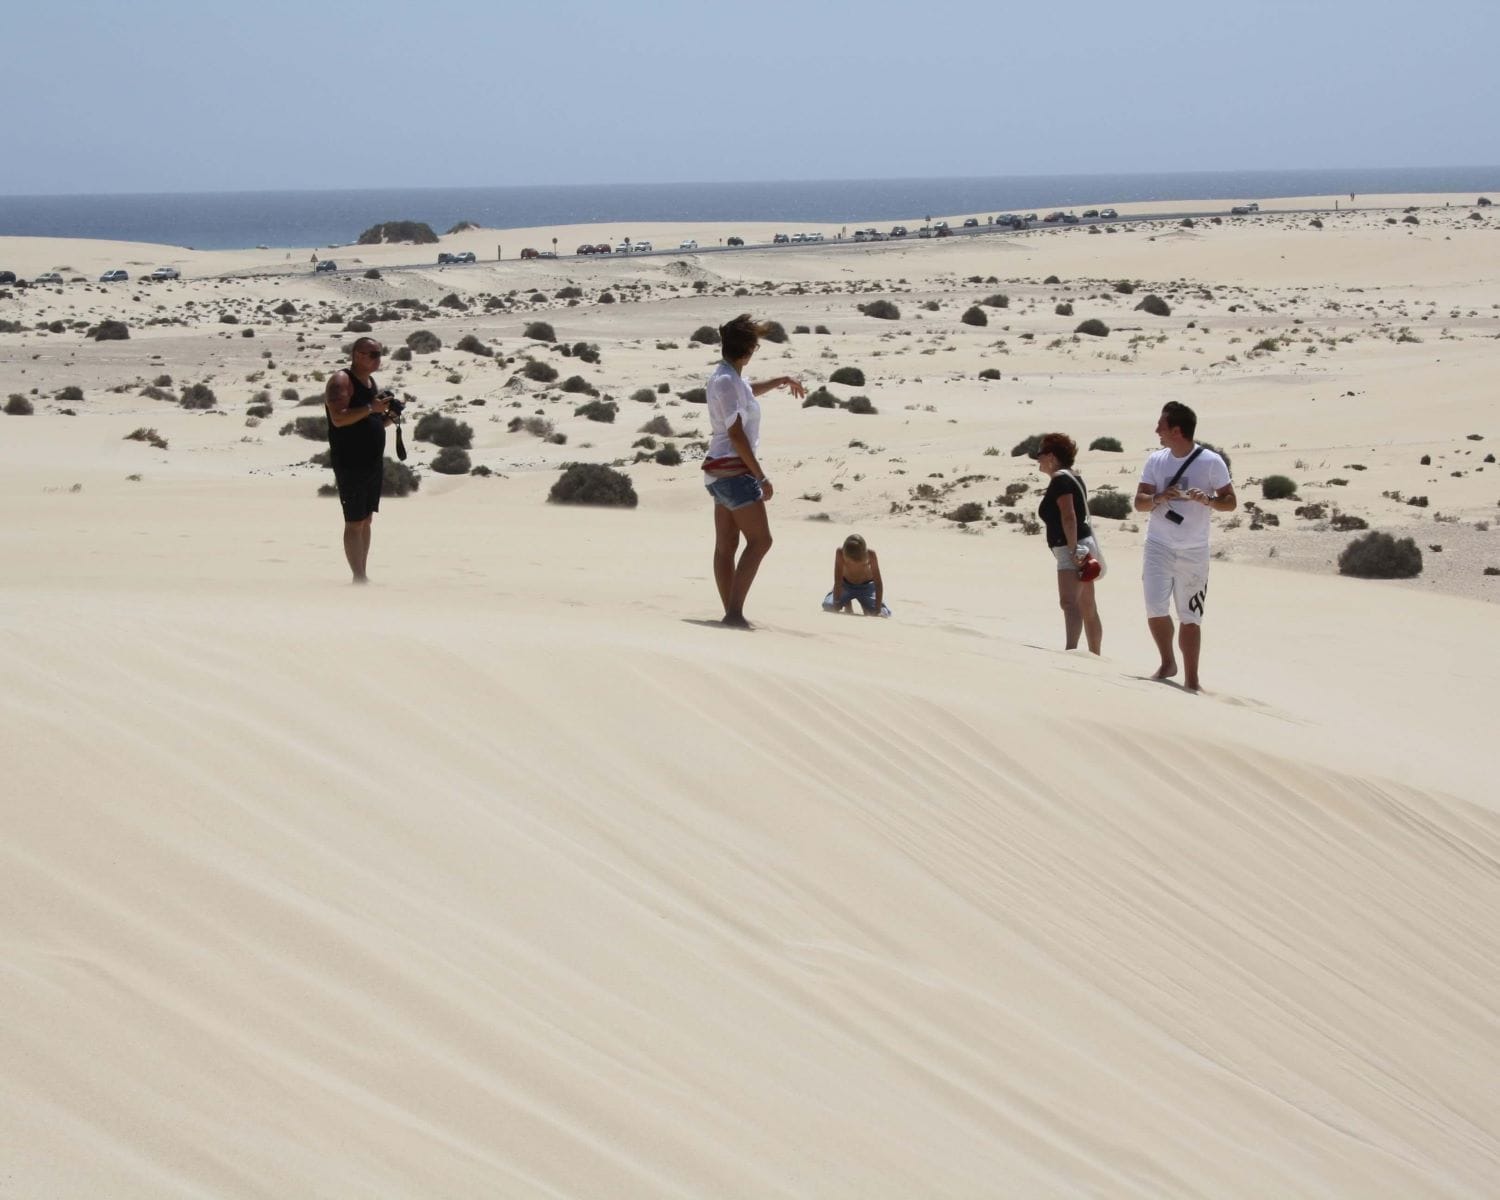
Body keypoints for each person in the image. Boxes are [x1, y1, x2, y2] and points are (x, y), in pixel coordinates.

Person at [702, 314, 806, 627]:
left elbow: (748, 391)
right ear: (747, 350)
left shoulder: (726, 377)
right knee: (761, 541)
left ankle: (731, 611)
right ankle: (734, 613)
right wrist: (761, 476)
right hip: (735, 472)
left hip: (718, 472)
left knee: (726, 546)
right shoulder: (727, 381)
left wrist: (781, 381)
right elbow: (736, 434)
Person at [1134, 402, 1236, 690]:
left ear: (1177, 430)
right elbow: (1139, 502)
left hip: (1194, 550)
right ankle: (1167, 662)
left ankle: (1192, 681)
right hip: (1158, 544)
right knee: (1155, 607)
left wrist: (1209, 501)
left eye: (1162, 426)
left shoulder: (1211, 462)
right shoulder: (1156, 460)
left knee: (1190, 616)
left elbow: (1231, 502)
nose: (1157, 431)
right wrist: (1159, 497)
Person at [324, 336, 395, 582]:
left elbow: (371, 420)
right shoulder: (341, 381)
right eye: (373, 354)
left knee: (366, 519)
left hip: (371, 462)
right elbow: (339, 418)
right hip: (350, 461)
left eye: (379, 353)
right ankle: (359, 577)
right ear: (357, 355)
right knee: (354, 520)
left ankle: (362, 574)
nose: (378, 359)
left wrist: (389, 415)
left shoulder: (370, 382)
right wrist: (370, 409)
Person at [1035, 433, 1103, 654]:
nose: (1038, 460)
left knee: (1069, 602)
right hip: (1081, 544)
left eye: (1040, 455)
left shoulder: (1060, 480)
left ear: (1052, 457)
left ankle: (1071, 652)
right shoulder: (1073, 477)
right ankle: (1095, 654)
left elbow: (1069, 516)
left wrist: (1073, 550)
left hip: (1071, 547)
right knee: (1087, 605)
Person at [823, 533, 886, 616]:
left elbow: (878, 583)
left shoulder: (871, 555)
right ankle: (847, 602)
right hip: (846, 586)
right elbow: (838, 581)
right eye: (849, 561)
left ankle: (864, 604)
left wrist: (878, 610)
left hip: (866, 588)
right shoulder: (840, 553)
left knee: (882, 613)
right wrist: (836, 602)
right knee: (829, 606)